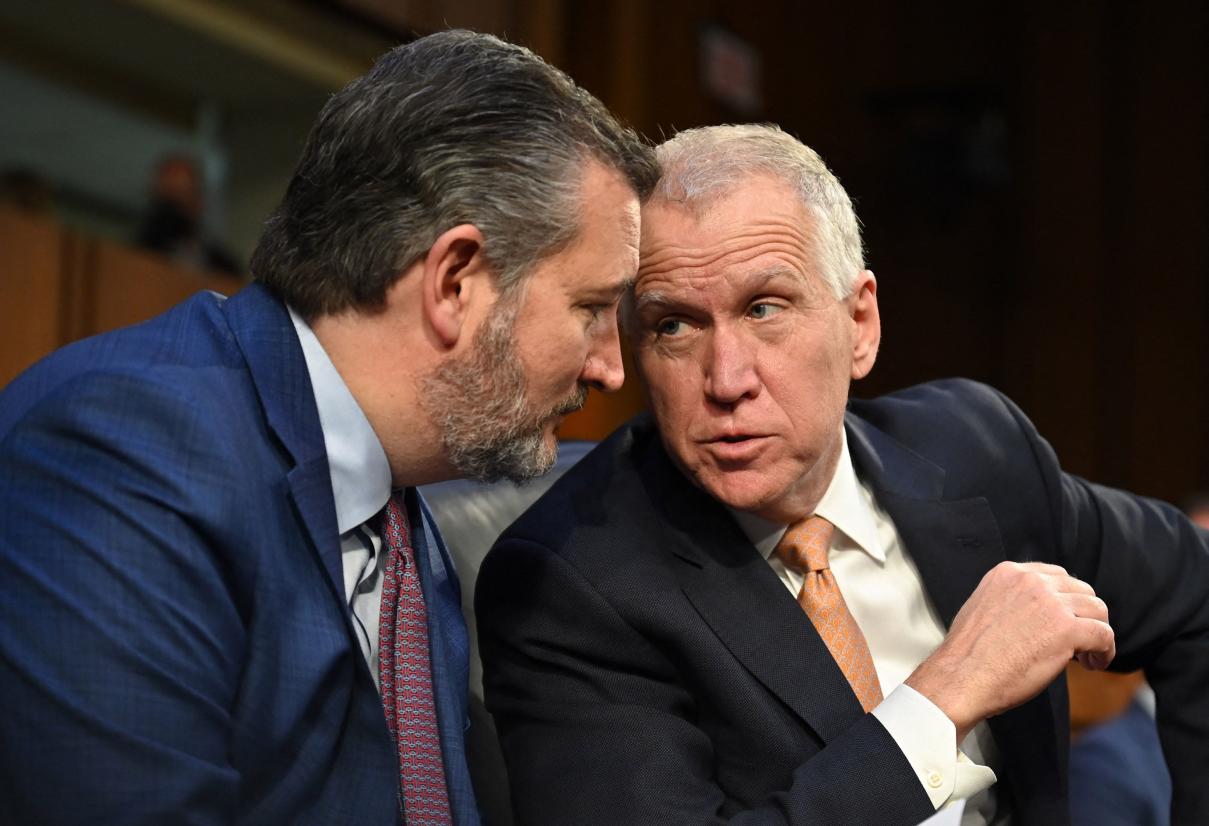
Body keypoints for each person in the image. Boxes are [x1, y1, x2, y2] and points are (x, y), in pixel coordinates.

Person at [0, 30, 657, 825]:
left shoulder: (399, 510)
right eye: (592, 310)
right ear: (455, 281)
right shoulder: (118, 454)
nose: (611, 366)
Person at [476, 124, 1209, 825]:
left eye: (764, 308)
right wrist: (940, 698)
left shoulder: (975, 450)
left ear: (859, 324)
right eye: (673, 325)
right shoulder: (571, 583)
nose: (726, 380)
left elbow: (1192, 589)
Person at [135, 153, 242, 275]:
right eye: (167, 198)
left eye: (180, 197)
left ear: (199, 202)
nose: (170, 213)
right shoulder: (137, 252)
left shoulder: (222, 265)